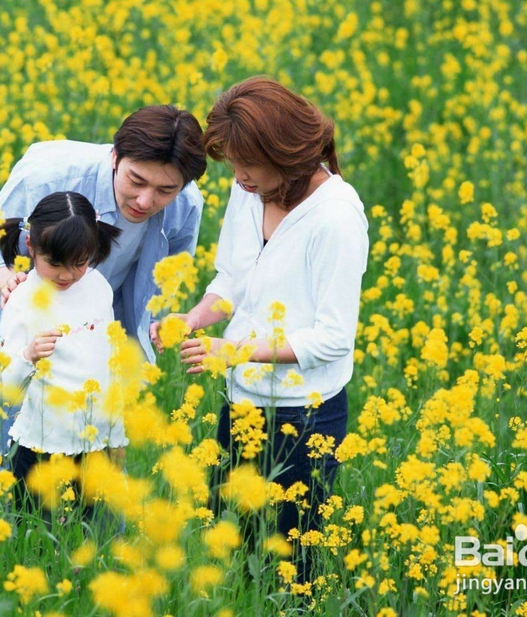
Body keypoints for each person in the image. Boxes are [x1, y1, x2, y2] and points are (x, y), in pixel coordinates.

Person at [152, 76, 369, 582]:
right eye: (233, 164)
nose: (239, 176)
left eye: (247, 164)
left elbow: (333, 338)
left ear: (286, 152)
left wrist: (234, 351)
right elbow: (233, 277)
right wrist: (195, 317)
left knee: (293, 568)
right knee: (233, 553)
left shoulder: (335, 218)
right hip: (241, 403)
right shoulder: (250, 191)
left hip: (304, 418)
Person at [0, 105, 207, 456]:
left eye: (164, 190)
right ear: (114, 157)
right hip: (18, 311)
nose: (145, 200)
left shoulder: (186, 204)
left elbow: (167, 273)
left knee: (95, 447)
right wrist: (2, 278)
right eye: (136, 181)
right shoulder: (48, 178)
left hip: (95, 320)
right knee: (18, 442)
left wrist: (153, 322)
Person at [0, 191, 123, 523]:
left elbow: (109, 366)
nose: (67, 275)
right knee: (34, 538)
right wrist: (28, 355)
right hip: (42, 446)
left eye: (80, 262)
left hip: (94, 443)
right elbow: (0, 388)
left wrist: (116, 434)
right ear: (31, 246)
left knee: (96, 540)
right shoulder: (22, 300)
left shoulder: (98, 287)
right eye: (55, 264)